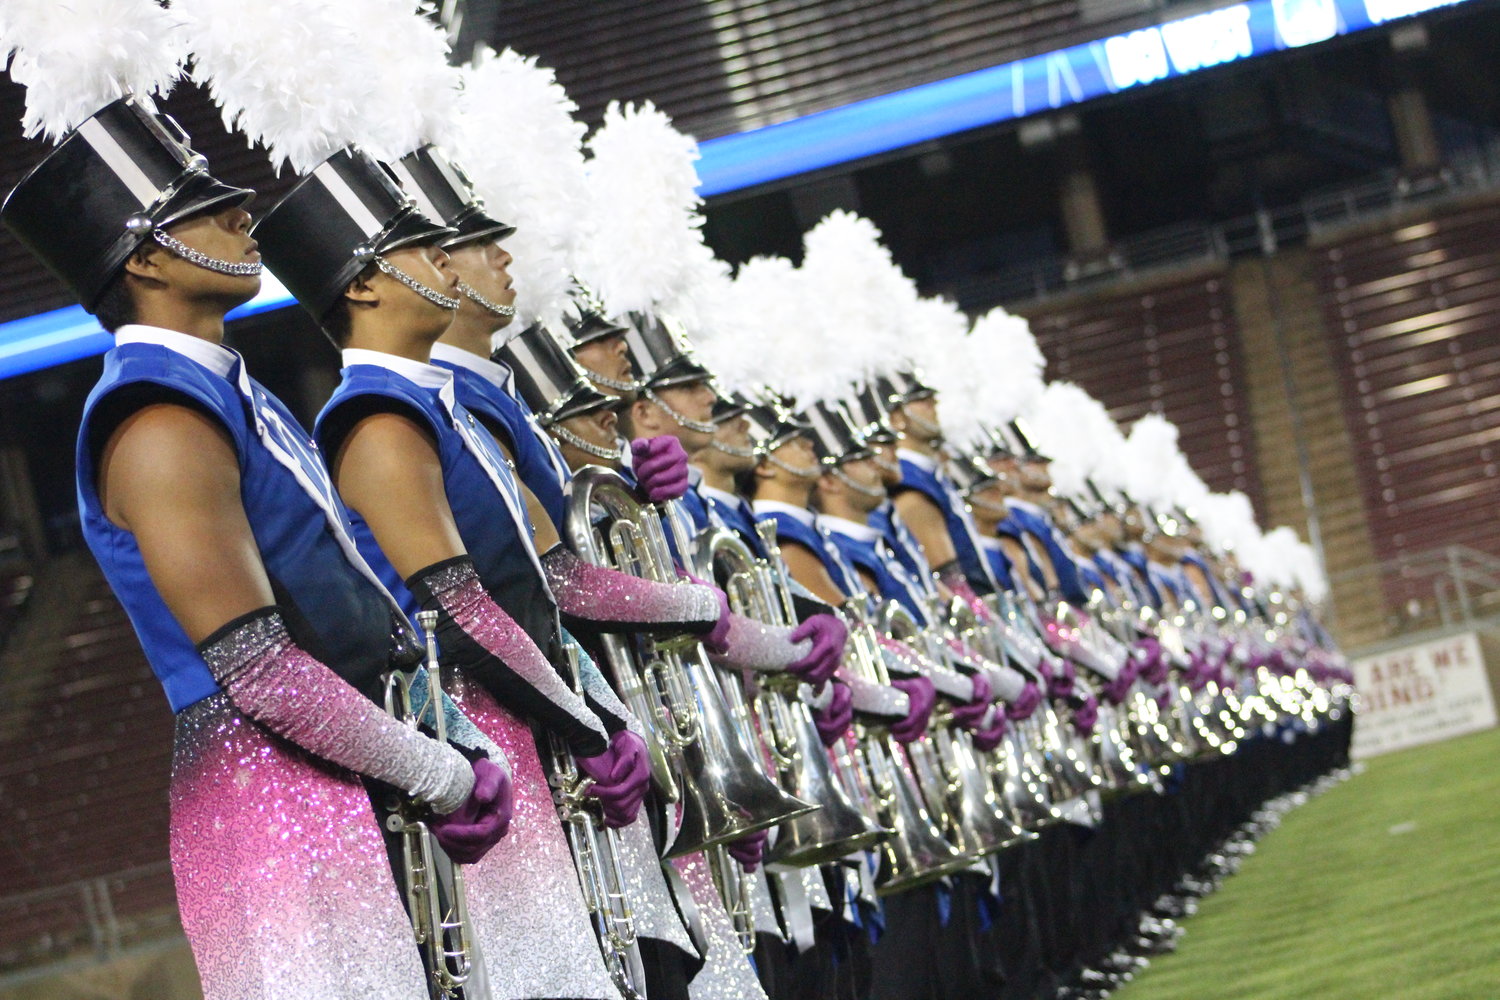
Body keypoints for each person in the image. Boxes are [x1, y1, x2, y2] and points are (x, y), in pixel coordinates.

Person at [3, 99, 509, 1000]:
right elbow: (256, 667)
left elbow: (364, 603)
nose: (244, 215)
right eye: (204, 208)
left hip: (345, 763)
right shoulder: (158, 414)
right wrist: (439, 770)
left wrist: (454, 738)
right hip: (277, 794)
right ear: (147, 258)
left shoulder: (234, 390)